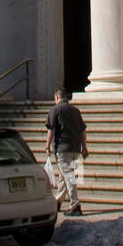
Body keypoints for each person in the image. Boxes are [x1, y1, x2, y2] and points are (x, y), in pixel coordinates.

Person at [45, 88, 88, 217]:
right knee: (63, 177)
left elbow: (51, 129)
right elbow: (83, 130)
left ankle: (75, 205)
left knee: (68, 176)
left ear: (57, 98)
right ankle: (57, 202)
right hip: (76, 148)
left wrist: (47, 145)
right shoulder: (75, 110)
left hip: (62, 148)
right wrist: (84, 147)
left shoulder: (55, 109)